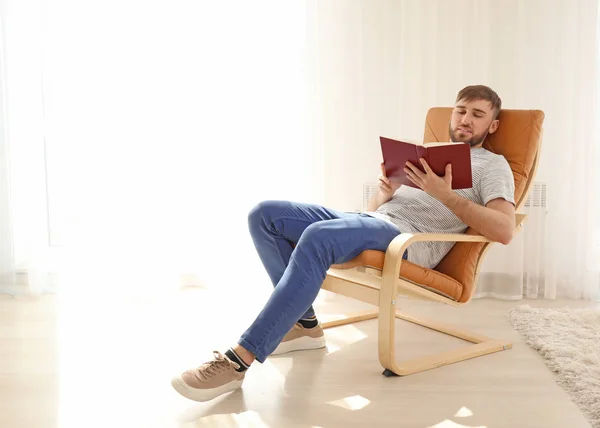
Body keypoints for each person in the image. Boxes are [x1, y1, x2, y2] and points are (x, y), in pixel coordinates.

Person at [171, 85, 516, 402]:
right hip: (376, 222)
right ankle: (304, 327)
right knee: (264, 215)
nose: (465, 120)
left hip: (407, 240)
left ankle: (238, 360)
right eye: (460, 111)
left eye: (477, 114)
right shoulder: (428, 156)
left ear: (493, 125)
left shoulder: (493, 166)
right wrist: (385, 192)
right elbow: (372, 218)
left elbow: (504, 229)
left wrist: (446, 196)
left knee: (318, 236)